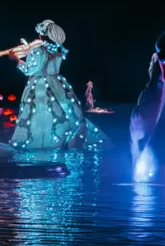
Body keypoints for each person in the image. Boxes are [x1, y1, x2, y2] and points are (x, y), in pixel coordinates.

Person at [9, 19, 104, 150]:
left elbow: (29, 70)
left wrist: (16, 59)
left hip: (40, 85)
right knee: (63, 112)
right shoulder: (58, 49)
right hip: (58, 83)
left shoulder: (39, 50)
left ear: (41, 35)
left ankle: (43, 143)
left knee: (40, 114)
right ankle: (62, 138)